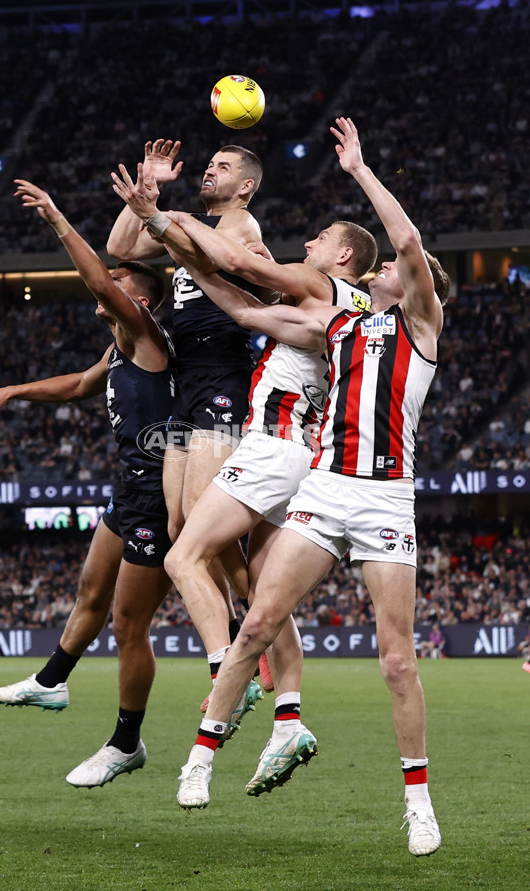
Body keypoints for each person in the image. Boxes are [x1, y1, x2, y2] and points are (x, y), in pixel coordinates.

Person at [175, 117, 450, 859]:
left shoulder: (423, 323)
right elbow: (242, 306)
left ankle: (417, 803)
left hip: (387, 497)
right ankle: (201, 757)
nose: (388, 268)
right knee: (258, 621)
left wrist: (360, 170)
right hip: (326, 489)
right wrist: (178, 249)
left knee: (396, 660)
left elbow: (410, 245)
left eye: (391, 267)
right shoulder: (338, 323)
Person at [125, 188, 377, 776]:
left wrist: (168, 219)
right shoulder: (351, 313)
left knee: (182, 553)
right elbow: (239, 307)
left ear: (343, 258)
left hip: (274, 446)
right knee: (265, 596)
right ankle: (289, 719)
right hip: (302, 453)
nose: (308, 243)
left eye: (321, 239)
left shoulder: (328, 289)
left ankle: (226, 677)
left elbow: (240, 266)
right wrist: (188, 257)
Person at [0, 179, 174, 789]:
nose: (107, 285)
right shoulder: (117, 349)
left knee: (130, 627)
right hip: (128, 488)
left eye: (121, 281)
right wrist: (14, 390)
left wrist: (57, 218)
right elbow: (80, 385)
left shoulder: (145, 333)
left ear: (140, 298)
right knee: (89, 592)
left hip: (159, 497)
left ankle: (126, 742)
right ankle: (52, 681)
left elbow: (102, 282)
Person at [107, 141, 264, 640]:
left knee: (199, 518)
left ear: (246, 186)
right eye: (210, 163)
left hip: (222, 367)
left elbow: (209, 256)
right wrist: (148, 192)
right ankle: (241, 619)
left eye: (222, 167)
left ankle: (255, 620)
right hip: (187, 374)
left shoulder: (242, 223)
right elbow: (121, 249)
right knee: (179, 528)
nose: (208, 171)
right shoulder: (186, 219)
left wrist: (158, 216)